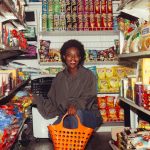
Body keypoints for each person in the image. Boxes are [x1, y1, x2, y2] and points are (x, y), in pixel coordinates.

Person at [32, 39, 102, 130]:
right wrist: (36, 99)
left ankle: (76, 144)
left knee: (76, 114)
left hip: (88, 114)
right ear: (64, 57)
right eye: (69, 55)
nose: (73, 59)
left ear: (80, 57)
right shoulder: (59, 77)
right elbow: (53, 100)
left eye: (76, 55)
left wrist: (75, 106)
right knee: (53, 133)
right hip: (67, 115)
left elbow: (88, 97)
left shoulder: (88, 75)